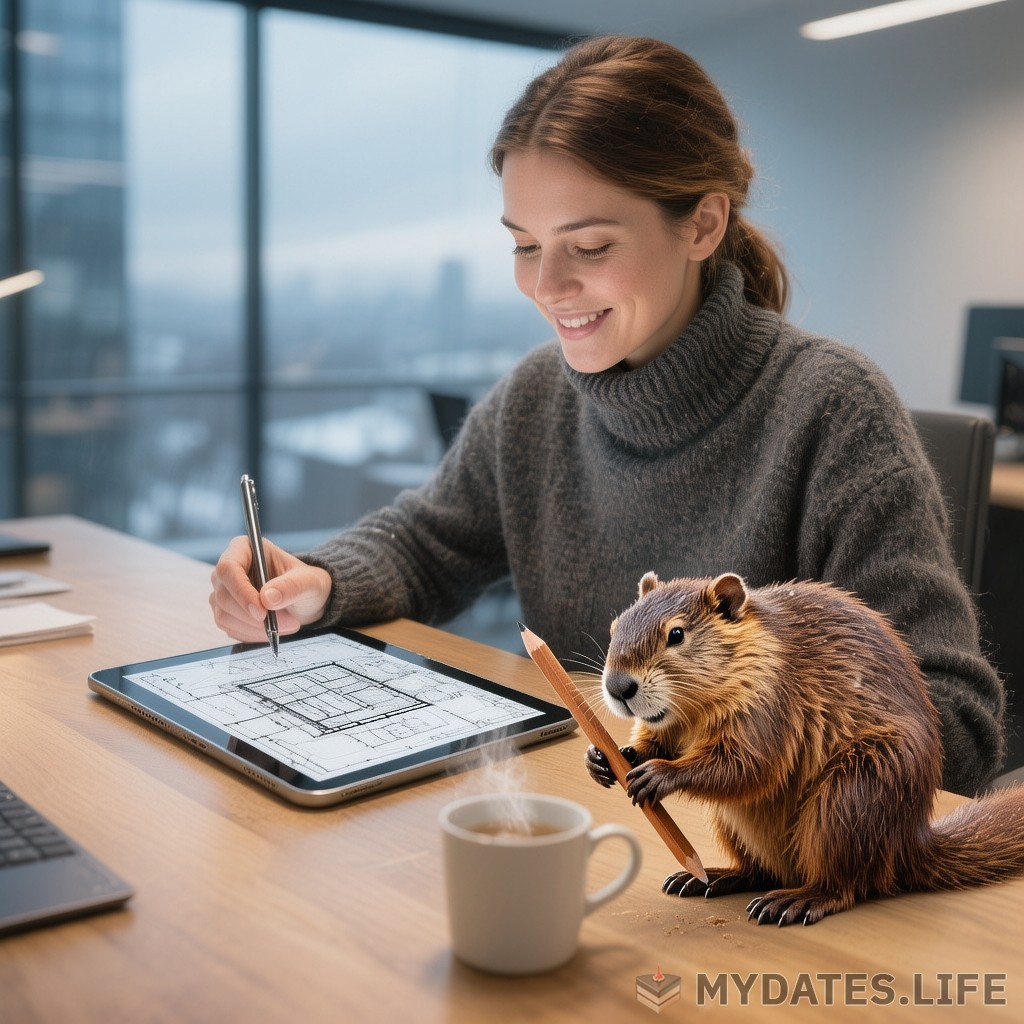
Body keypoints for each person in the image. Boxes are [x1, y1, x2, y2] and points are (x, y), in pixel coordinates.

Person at [210, 35, 1004, 796]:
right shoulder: (536, 397)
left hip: (758, 866)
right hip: (599, 816)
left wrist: (716, 745)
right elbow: (428, 544)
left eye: (587, 246)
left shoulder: (831, 410)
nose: (545, 286)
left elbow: (954, 730)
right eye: (524, 245)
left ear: (702, 223)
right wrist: (318, 583)